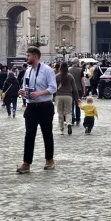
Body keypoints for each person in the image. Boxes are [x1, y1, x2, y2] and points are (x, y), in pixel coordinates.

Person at [17, 46, 57, 174]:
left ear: (35, 56)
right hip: (31, 107)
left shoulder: (47, 70)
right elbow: (26, 86)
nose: (26, 57)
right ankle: (26, 163)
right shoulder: (28, 70)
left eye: (28, 55)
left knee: (47, 134)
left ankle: (49, 160)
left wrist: (39, 94)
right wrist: (22, 92)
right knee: (29, 135)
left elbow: (53, 88)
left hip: (44, 106)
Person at [55, 62, 79, 136]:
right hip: (68, 96)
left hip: (58, 96)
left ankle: (62, 129)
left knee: (60, 113)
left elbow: (53, 87)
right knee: (68, 112)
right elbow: (75, 89)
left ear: (60, 68)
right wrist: (77, 98)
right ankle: (69, 123)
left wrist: (52, 97)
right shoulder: (70, 76)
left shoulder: (57, 76)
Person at [69, 60, 85, 125]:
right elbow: (82, 81)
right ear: (77, 63)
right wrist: (84, 90)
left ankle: (72, 119)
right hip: (78, 89)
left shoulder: (68, 69)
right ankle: (78, 119)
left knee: (71, 105)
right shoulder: (81, 70)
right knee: (78, 104)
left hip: (70, 89)